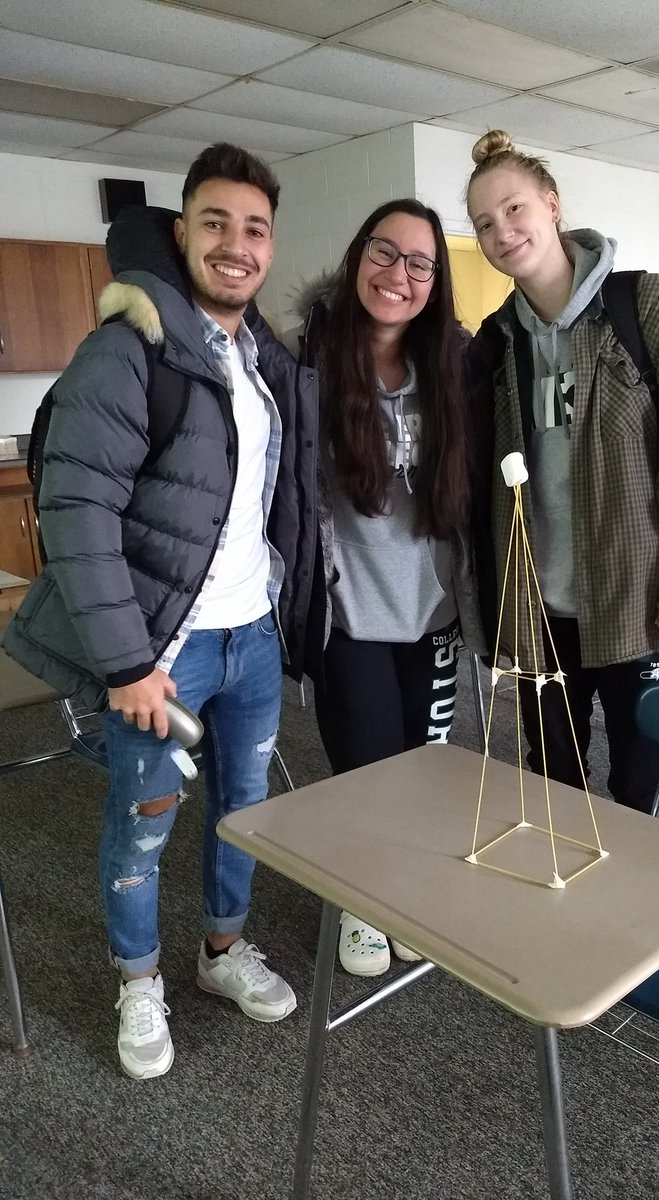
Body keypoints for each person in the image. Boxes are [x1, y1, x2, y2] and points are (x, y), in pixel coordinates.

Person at [3, 143, 319, 1079]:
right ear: (181, 234)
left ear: (269, 246)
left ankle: (222, 953)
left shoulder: (261, 356)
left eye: (254, 229)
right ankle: (138, 979)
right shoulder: (126, 349)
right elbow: (75, 513)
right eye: (215, 223)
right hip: (163, 651)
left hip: (251, 636)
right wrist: (127, 665)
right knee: (144, 815)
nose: (236, 245)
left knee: (246, 807)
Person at [465, 130, 659, 817]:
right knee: (551, 781)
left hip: (639, 609)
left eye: (513, 209)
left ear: (552, 204)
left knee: (641, 790)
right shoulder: (496, 343)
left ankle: (642, 924)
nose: (502, 231)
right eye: (483, 223)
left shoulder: (647, 306)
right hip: (541, 617)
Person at [292, 199, 482, 976]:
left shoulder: (456, 367)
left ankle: (408, 892)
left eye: (418, 263)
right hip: (352, 617)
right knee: (367, 774)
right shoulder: (308, 361)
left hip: (432, 613)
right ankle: (365, 904)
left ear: (435, 282)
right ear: (356, 255)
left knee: (425, 770)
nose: (397, 274)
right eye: (384, 251)